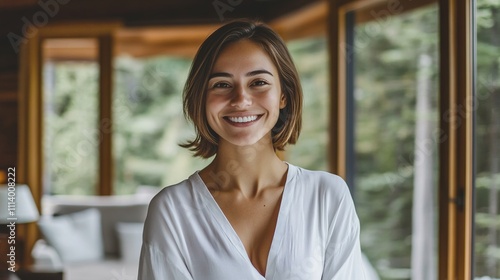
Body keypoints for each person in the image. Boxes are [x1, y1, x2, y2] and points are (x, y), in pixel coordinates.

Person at [138, 19, 366, 280]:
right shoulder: (173, 211)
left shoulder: (328, 197)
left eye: (258, 82)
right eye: (222, 84)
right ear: (202, 98)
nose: (241, 100)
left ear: (284, 95)